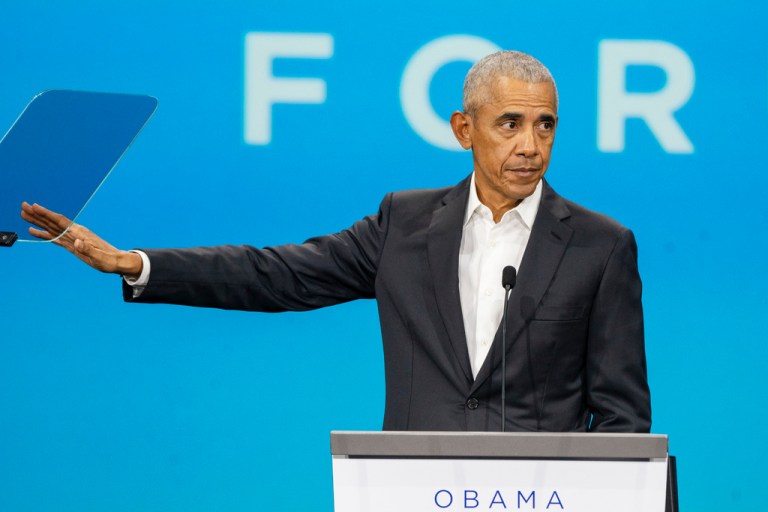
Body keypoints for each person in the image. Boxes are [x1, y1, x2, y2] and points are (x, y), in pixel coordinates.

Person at [20, 50, 651, 433]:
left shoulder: (600, 244)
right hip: (411, 489)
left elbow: (622, 413)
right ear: (464, 129)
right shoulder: (404, 224)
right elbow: (276, 275)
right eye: (509, 123)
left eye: (545, 125)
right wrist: (134, 263)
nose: (529, 145)